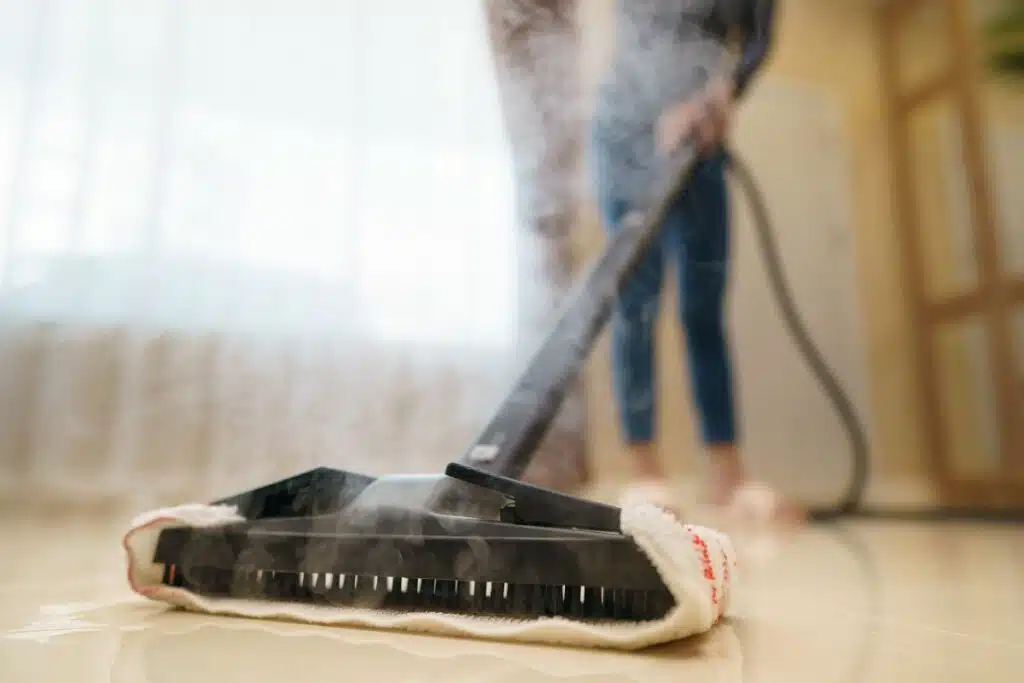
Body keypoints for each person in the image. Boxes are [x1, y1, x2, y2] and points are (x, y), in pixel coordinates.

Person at [589, 0, 795, 519]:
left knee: (704, 306)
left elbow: (757, 40)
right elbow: (639, 27)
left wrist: (721, 94)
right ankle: (645, 472)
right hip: (628, 127)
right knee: (636, 300)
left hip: (700, 132)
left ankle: (728, 475)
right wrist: (657, 108)